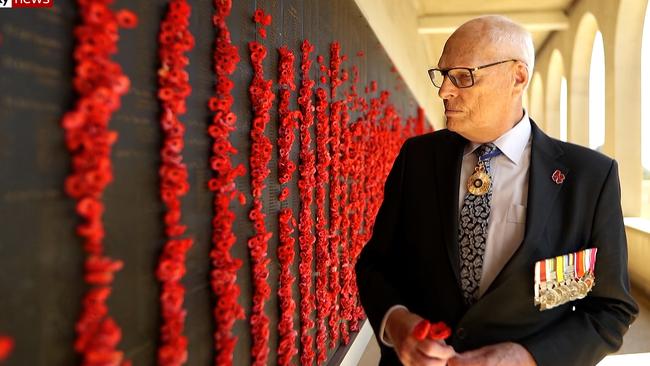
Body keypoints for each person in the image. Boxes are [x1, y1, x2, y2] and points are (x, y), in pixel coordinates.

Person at [355, 15, 639, 366]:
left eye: (462, 76)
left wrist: (527, 357)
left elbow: (611, 309)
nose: (444, 91)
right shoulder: (417, 158)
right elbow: (375, 266)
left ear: (517, 77)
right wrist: (397, 326)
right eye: (442, 76)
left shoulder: (589, 179)